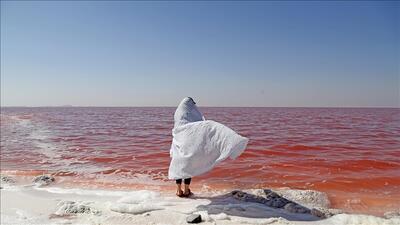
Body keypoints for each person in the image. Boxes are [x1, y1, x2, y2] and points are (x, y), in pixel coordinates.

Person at [169, 97, 249, 197]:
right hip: (188, 144)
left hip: (178, 142)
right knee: (187, 166)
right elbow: (196, 127)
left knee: (179, 166)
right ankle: (186, 190)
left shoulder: (178, 113)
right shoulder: (190, 113)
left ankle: (178, 190)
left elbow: (178, 128)